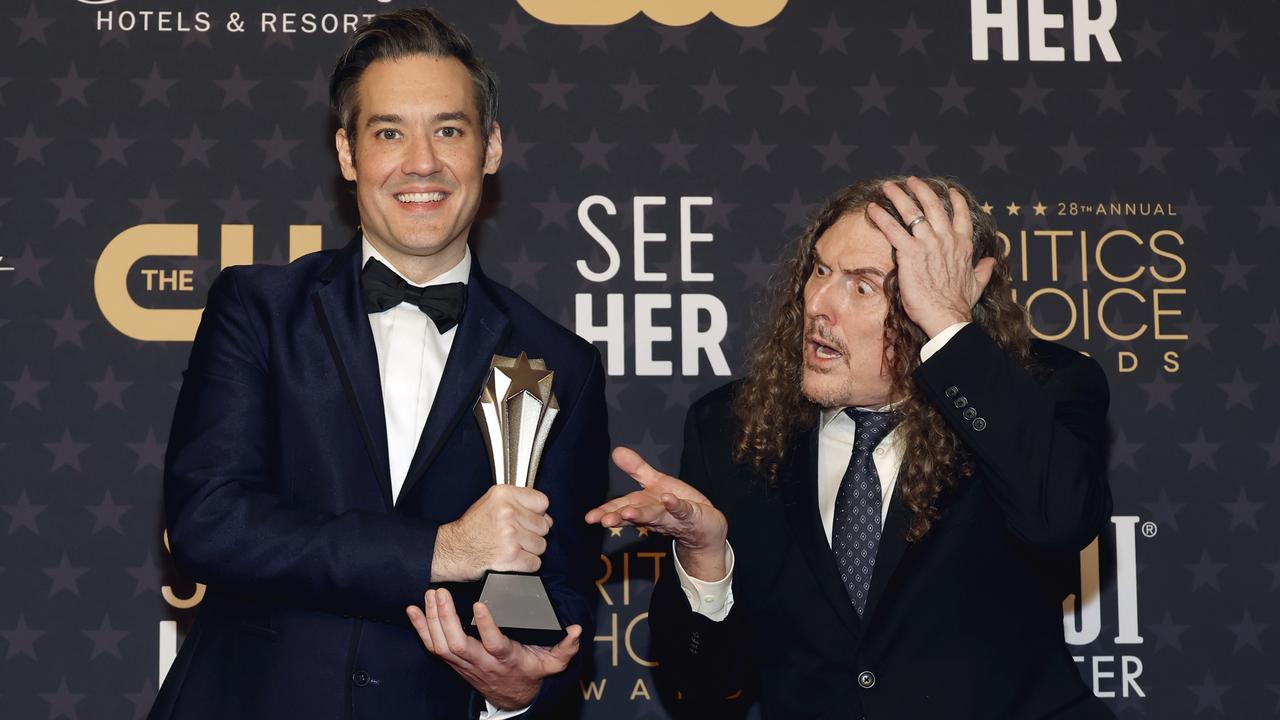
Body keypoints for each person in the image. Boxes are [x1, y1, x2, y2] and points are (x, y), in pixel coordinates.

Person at [151, 9, 607, 720]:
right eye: (389, 132)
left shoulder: (560, 363)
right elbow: (210, 524)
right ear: (346, 153)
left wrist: (523, 688)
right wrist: (439, 550)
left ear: (491, 148)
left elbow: (565, 589)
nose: (421, 162)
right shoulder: (258, 309)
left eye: (449, 130)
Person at [588, 176, 1115, 719]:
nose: (818, 303)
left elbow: (1060, 523)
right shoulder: (730, 426)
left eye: (863, 286)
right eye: (819, 271)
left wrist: (950, 331)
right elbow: (702, 686)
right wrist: (705, 560)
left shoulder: (1042, 389)